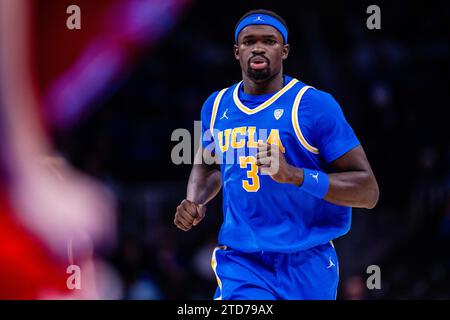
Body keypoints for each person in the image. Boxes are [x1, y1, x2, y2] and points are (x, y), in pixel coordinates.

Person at [174, 9, 379, 300]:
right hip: (243, 262)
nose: (257, 47)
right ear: (236, 51)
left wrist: (295, 176)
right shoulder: (216, 105)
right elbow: (207, 165)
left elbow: (367, 192)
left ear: (284, 51)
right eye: (248, 41)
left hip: (308, 262)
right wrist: (194, 200)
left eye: (268, 40)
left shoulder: (314, 105)